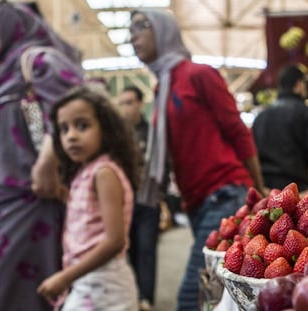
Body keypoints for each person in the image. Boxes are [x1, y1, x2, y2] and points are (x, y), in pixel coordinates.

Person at [129, 9, 267, 311]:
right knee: (214, 294)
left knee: (191, 297)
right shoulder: (161, 87)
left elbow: (237, 131)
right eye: (130, 29)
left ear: (165, 31)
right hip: (197, 202)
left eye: (141, 26)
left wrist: (258, 190)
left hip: (226, 193)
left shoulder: (197, 75)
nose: (132, 35)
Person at [0, 3, 83, 311]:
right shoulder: (5, 75)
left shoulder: (39, 60)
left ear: (13, 25)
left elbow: (76, 105)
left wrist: (47, 159)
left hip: (31, 202)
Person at [36, 86, 139, 310]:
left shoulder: (103, 173)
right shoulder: (86, 173)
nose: (71, 136)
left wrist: (65, 277)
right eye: (63, 129)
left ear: (105, 129)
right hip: (92, 280)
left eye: (82, 125)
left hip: (104, 282)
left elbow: (115, 241)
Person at [118, 85, 160, 311]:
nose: (126, 107)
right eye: (122, 103)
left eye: (130, 102)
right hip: (124, 203)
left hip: (148, 201)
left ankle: (147, 300)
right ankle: (136, 296)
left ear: (140, 103)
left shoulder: (153, 132)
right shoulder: (117, 137)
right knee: (130, 250)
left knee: (147, 249)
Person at [253, 64, 308, 193]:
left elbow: (253, 153)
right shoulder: (307, 113)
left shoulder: (261, 116)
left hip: (267, 190)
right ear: (299, 84)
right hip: (298, 188)